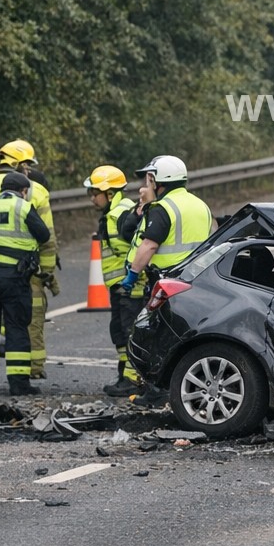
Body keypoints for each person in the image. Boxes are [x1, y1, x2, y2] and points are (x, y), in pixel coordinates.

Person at [116, 155, 213, 404]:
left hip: (165, 283)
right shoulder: (201, 205)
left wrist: (131, 276)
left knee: (156, 337)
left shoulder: (163, 208)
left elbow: (148, 245)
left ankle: (156, 393)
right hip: (194, 280)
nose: (147, 183)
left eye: (149, 178)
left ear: (158, 180)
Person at [0, 140, 58, 382]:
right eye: (28, 165)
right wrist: (47, 272)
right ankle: (25, 375)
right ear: (21, 165)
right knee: (21, 323)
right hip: (22, 271)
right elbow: (47, 238)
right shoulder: (36, 191)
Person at [83, 165, 139, 396]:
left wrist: (133, 279)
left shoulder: (123, 214)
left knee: (130, 332)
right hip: (119, 285)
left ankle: (133, 380)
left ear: (109, 193)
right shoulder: (114, 214)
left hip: (131, 286)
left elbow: (140, 247)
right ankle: (124, 374)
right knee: (119, 331)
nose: (92, 199)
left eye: (94, 193)